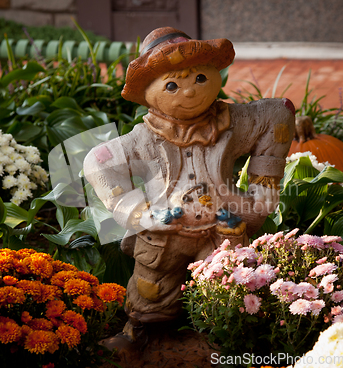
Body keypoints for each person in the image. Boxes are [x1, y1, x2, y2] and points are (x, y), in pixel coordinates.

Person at [83, 26, 295, 351]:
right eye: (172, 85)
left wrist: (262, 191)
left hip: (223, 228)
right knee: (151, 285)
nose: (190, 92)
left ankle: (224, 340)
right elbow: (98, 162)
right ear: (148, 92)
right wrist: (139, 212)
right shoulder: (143, 140)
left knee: (228, 285)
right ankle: (140, 336)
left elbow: (279, 113)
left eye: (199, 78)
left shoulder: (234, 122)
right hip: (166, 232)